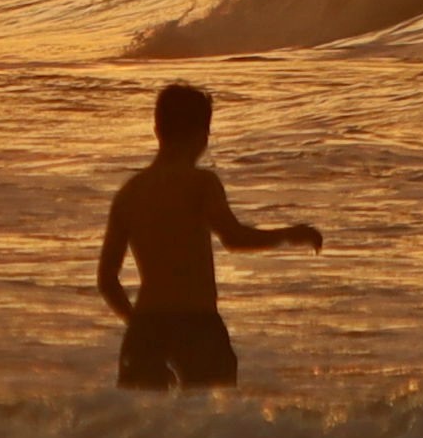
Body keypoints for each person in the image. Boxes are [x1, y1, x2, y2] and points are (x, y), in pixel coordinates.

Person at [96, 81, 323, 390]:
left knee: (144, 432)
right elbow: (233, 237)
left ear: (157, 129)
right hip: (196, 326)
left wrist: (137, 325)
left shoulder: (129, 193)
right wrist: (289, 234)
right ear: (202, 134)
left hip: (146, 330)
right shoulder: (201, 182)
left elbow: (107, 280)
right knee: (210, 422)